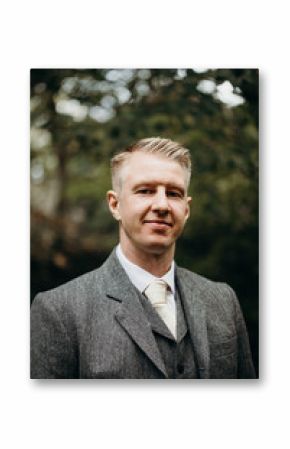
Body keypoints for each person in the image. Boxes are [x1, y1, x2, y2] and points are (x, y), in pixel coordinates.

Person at [31, 137, 256, 379]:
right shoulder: (59, 310)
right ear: (115, 204)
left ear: (187, 209)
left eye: (173, 193)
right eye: (145, 191)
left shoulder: (223, 300)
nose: (162, 205)